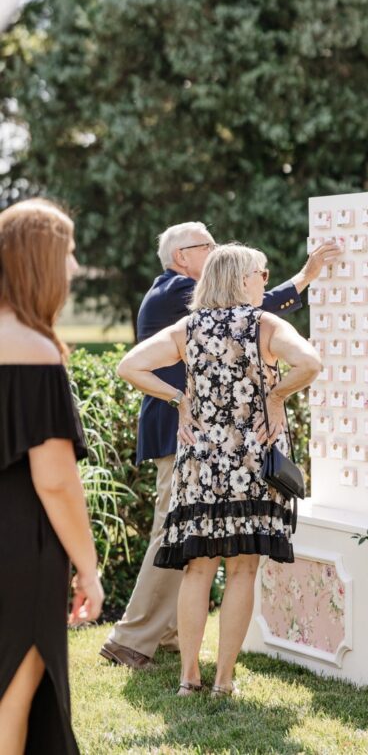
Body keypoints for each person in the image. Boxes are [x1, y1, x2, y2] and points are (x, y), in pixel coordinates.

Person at [101, 222, 339, 668]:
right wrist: (276, 395)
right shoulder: (228, 311)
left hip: (200, 453)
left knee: (196, 561)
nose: (264, 281)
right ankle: (187, 662)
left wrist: (179, 397)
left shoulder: (187, 320)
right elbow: (297, 352)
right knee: (232, 563)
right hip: (240, 454)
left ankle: (183, 662)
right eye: (260, 274)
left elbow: (129, 365)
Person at [0, 199, 104, 755]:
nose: (74, 266)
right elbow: (56, 480)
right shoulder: (34, 352)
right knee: (12, 703)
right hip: (20, 550)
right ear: (40, 261)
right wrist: (88, 569)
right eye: (67, 252)